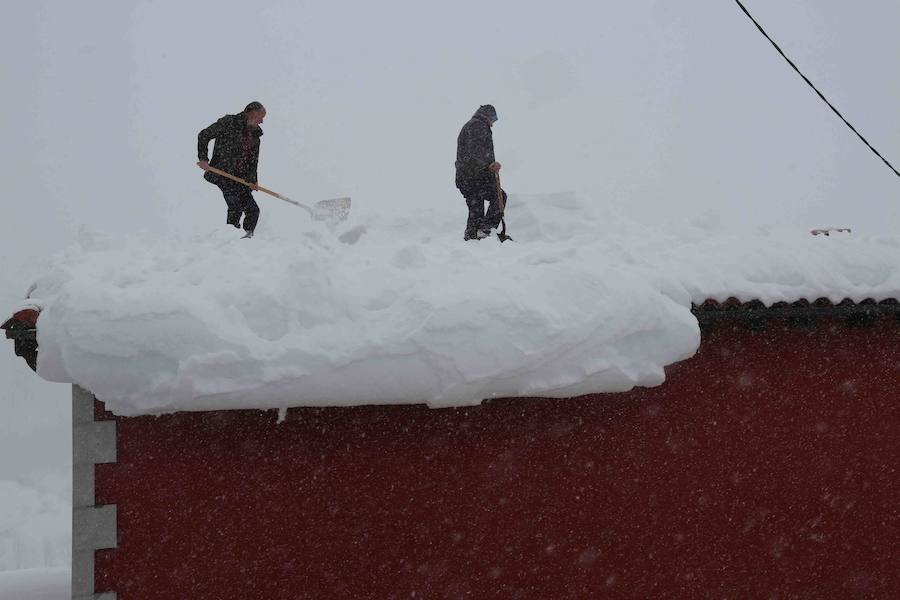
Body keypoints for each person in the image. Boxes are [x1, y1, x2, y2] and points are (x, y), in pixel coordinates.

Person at [197, 102, 266, 238]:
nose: (262, 121)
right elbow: (204, 135)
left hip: (240, 179)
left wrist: (253, 181)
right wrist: (204, 159)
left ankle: (247, 239)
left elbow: (252, 162)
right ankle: (229, 240)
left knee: (253, 210)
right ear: (251, 113)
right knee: (236, 207)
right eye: (260, 116)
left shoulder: (255, 136)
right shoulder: (229, 122)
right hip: (222, 173)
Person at [455, 104, 507, 241]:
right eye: (493, 120)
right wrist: (490, 166)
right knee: (499, 195)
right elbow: (477, 152)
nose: (492, 124)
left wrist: (488, 167)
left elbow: (475, 153)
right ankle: (485, 229)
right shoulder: (477, 126)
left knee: (476, 208)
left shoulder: (472, 125)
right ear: (487, 116)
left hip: (468, 177)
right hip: (474, 177)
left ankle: (472, 237)